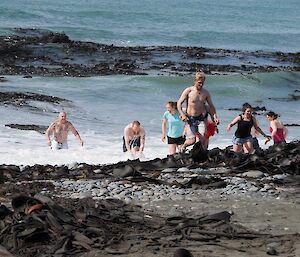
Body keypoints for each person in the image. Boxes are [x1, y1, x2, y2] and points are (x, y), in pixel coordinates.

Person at [177, 71, 219, 151]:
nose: (201, 84)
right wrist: (182, 114)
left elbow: (211, 106)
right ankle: (183, 146)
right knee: (192, 140)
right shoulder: (188, 91)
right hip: (190, 118)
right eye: (199, 82)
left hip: (200, 118)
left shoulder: (205, 93)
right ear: (195, 81)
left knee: (202, 137)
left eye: (202, 83)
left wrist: (215, 117)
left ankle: (199, 154)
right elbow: (179, 103)